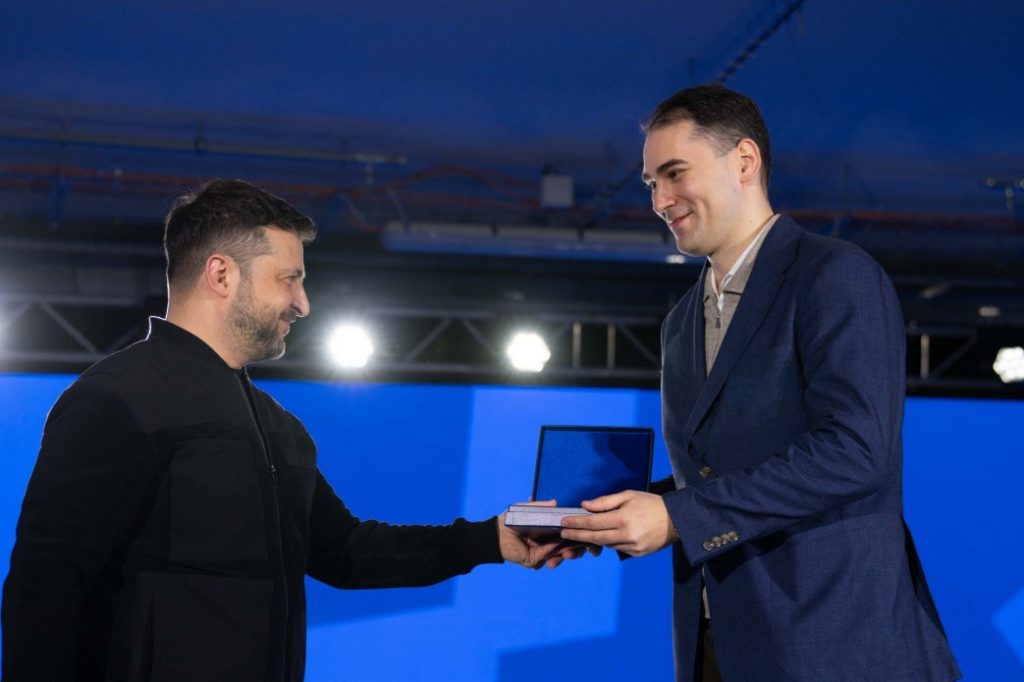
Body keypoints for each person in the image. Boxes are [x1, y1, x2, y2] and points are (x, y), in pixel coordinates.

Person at [1, 179, 578, 681]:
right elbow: (44, 586)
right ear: (221, 274)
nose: (303, 303)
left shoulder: (281, 429)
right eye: (289, 279)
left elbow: (345, 551)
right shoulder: (115, 400)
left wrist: (491, 539)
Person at [561, 84, 961, 681]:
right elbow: (716, 474)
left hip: (833, 649)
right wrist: (605, 513)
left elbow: (855, 451)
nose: (659, 200)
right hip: (717, 645)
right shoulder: (680, 323)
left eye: (674, 174)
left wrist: (677, 517)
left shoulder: (835, 275)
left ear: (744, 161)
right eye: (650, 184)